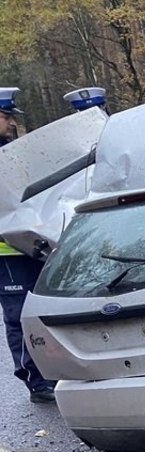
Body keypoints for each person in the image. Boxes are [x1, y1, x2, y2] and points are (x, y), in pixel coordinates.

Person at [0, 87, 55, 403]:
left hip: (33, 244)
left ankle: (54, 371)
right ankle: (36, 380)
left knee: (45, 309)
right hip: (6, 253)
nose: (10, 122)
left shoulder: (13, 149)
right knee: (19, 315)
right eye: (6, 116)